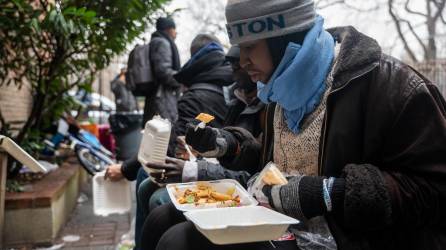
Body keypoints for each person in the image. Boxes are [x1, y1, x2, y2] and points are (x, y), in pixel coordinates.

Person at [142, 0, 446, 250]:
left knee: (178, 242)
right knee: (162, 218)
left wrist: (330, 193)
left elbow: (434, 189)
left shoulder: (394, 87)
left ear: (283, 39)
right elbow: (281, 161)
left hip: (348, 237)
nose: (243, 62)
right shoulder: (282, 86)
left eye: (250, 47)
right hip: (281, 220)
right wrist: (228, 143)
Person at [143, 16, 182, 125]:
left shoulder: (155, 42)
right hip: (162, 98)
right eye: (175, 29)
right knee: (165, 133)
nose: (176, 33)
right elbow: (163, 72)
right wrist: (183, 78)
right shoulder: (162, 43)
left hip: (155, 96)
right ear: (169, 29)